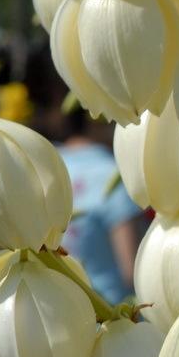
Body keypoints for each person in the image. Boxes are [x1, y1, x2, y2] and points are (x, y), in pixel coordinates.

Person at [57, 110, 146, 305]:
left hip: (58, 308)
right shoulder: (111, 173)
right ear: (97, 120)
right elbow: (131, 270)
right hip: (109, 311)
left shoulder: (47, 167)